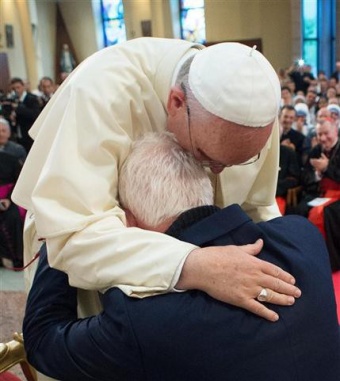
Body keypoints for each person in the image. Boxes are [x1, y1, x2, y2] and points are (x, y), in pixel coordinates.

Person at [13, 38, 300, 323]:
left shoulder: (256, 111)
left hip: (215, 275)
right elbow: (76, 235)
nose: (217, 172)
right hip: (101, 277)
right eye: (205, 155)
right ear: (176, 102)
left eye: (238, 161)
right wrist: (193, 264)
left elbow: (257, 207)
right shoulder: (102, 89)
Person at [23, 132, 340, 381]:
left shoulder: (143, 321)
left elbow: (41, 341)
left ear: (130, 220)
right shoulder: (301, 238)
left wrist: (69, 226)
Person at [8, 77, 41, 153]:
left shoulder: (32, 98)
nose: (16, 90)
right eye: (13, 88)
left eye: (18, 87)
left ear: (23, 87)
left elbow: (35, 114)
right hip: (19, 134)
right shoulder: (12, 100)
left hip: (30, 133)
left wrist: (19, 108)